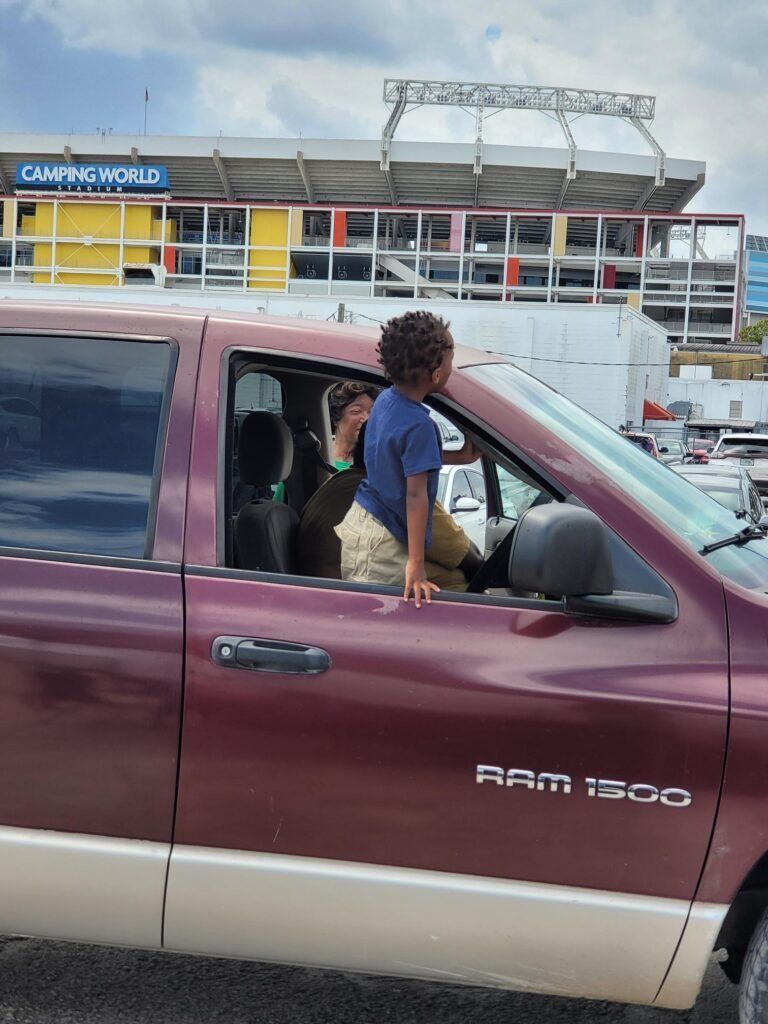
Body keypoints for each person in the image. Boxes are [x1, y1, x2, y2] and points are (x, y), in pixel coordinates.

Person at [335, 311, 479, 607]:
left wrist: (458, 455)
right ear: (437, 374)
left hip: (364, 523)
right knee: (381, 625)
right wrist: (416, 563)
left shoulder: (387, 401)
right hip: (383, 543)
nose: (455, 362)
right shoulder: (419, 425)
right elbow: (415, 496)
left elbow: (396, 454)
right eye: (452, 355)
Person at [296, 422, 483, 588]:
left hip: (349, 600)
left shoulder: (338, 483)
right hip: (393, 610)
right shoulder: (399, 495)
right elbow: (473, 560)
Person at [328, 382, 376, 470]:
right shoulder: (321, 450)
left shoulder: (377, 460)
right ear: (336, 417)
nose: (366, 419)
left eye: (372, 412)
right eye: (356, 411)